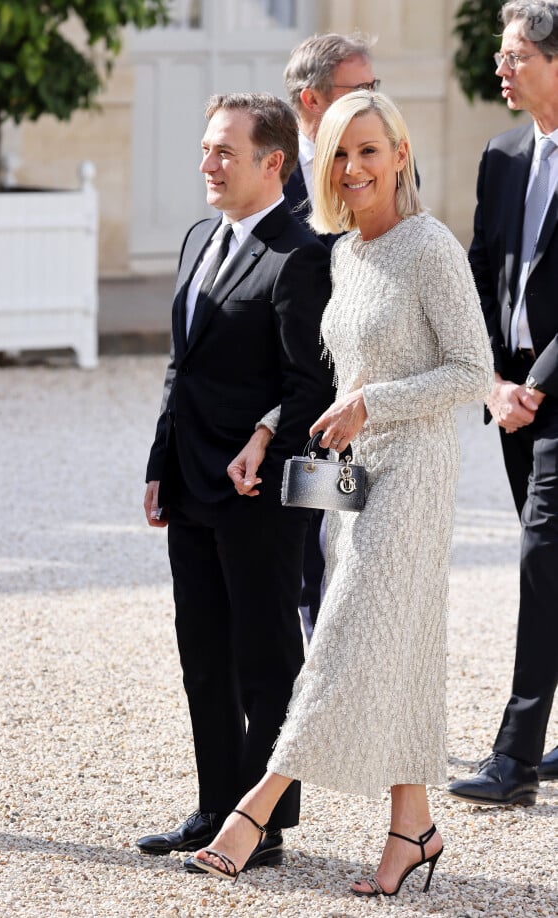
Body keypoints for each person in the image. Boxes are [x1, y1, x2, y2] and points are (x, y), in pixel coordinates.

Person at [188, 90, 494, 895]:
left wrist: (374, 405)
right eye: (339, 154)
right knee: (399, 650)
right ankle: (413, 828)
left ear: (399, 153)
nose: (353, 168)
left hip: (416, 473)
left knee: (342, 641)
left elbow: (470, 369)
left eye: (368, 150)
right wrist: (267, 426)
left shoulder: (431, 246)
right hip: (352, 478)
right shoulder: (344, 253)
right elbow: (326, 376)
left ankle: (254, 808)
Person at [135, 92, 334, 868]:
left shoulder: (301, 255)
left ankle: (266, 823)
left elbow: (312, 382)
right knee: (203, 655)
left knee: (263, 654)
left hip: (258, 493)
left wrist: (263, 443)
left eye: (225, 151)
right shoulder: (195, 238)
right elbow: (179, 366)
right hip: (188, 483)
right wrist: (159, 463)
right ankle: (216, 806)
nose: (206, 164)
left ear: (273, 163)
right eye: (206, 148)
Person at [447, 0, 558, 808]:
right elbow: (479, 271)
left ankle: (514, 757)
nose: (501, 66)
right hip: (511, 393)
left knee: (541, 560)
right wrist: (491, 381)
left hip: (551, 392)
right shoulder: (502, 152)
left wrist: (537, 385)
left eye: (515, 53)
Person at [282, 31, 379, 639]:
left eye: (376, 88)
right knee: (294, 547)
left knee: (350, 544)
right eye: (359, 90)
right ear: (311, 100)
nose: (372, 101)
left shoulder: (384, 155)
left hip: (365, 395)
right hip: (294, 394)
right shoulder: (270, 166)